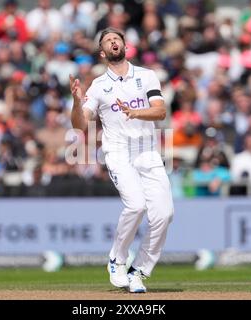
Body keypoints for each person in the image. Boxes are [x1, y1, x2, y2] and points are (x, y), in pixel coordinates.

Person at [69, 27, 174, 293]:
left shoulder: (147, 75)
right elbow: (82, 125)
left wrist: (136, 113)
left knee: (164, 214)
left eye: (117, 39)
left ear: (125, 46)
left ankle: (138, 270)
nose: (114, 42)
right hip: (118, 152)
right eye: (108, 41)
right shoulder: (98, 85)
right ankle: (117, 257)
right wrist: (75, 101)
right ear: (103, 52)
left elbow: (160, 111)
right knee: (137, 205)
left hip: (147, 151)